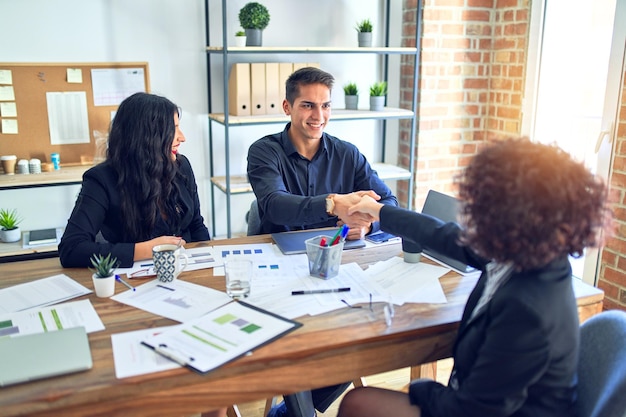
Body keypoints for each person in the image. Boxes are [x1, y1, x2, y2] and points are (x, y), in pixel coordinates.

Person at [337, 138, 610, 417]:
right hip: (479, 400)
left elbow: (472, 410)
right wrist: (379, 211)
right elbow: (441, 234)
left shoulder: (528, 309)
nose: (475, 213)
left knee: (357, 404)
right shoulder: (525, 252)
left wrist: (421, 388)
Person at [59, 92, 210, 268]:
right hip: (134, 280)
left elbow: (196, 225)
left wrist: (208, 262)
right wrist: (146, 250)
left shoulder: (181, 167)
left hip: (185, 268)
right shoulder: (101, 180)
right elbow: (71, 249)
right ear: (146, 137)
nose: (182, 137)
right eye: (173, 129)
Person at [247, 66, 398, 242]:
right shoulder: (264, 151)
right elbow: (275, 206)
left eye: (325, 106)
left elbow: (388, 201)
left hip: (336, 252)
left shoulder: (348, 154)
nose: (319, 116)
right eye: (308, 105)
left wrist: (368, 226)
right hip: (279, 251)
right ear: (287, 107)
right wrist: (332, 204)